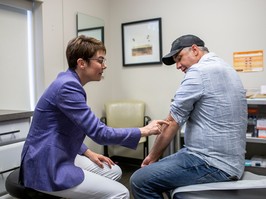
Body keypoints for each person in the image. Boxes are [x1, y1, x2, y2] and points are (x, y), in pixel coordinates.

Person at [20, 35, 168, 199]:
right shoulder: (68, 87)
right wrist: (144, 130)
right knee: (121, 193)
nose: (104, 65)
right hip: (46, 164)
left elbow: (64, 128)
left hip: (58, 152)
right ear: (82, 63)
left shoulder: (68, 82)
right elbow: (100, 133)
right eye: (100, 60)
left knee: (113, 171)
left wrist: (88, 152)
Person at [130, 34, 247, 198]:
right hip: (230, 161)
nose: (178, 66)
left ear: (194, 50)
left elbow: (171, 122)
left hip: (212, 163)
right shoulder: (227, 68)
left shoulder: (198, 72)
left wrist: (151, 157)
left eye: (179, 58)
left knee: (139, 180)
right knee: (157, 172)